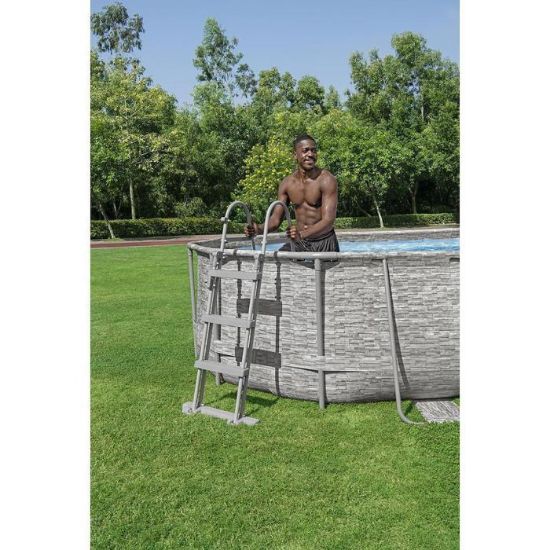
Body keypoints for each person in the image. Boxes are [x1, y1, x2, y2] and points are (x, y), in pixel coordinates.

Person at [244, 134, 339, 252]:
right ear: (295, 155)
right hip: (300, 241)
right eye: (305, 150)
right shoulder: (287, 183)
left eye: (313, 150)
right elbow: (275, 220)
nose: (310, 154)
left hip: (324, 242)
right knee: (278, 260)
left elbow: (328, 221)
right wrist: (258, 229)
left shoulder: (326, 180)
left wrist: (301, 234)